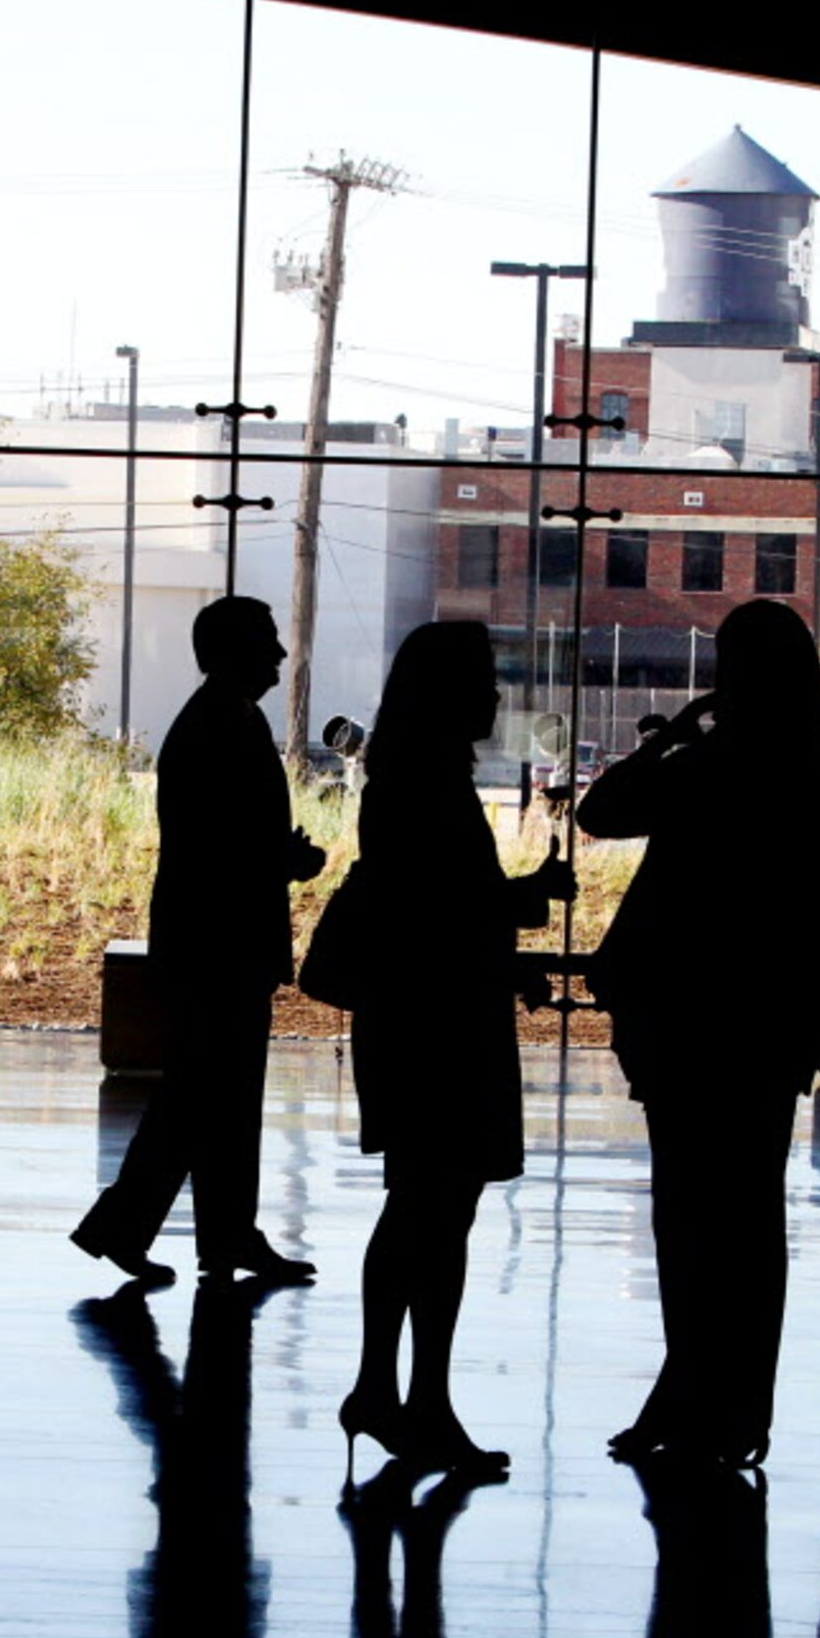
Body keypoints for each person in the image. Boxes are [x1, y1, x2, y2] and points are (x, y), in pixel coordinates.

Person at [576, 598, 820, 1469]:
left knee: (684, 1215)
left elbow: (601, 813)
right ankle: (735, 1407)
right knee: (750, 1219)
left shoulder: (703, 763)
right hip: (767, 1024)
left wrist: (673, 731)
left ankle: (686, 1383)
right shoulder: (812, 777)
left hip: (682, 1017)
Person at [337, 620, 572, 1483]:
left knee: (416, 1207)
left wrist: (511, 905)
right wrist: (526, 902)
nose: (496, 695)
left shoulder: (402, 774)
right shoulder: (432, 784)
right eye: (485, 680)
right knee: (440, 1216)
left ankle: (382, 1387)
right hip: (444, 1026)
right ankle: (422, 1400)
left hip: (410, 1018)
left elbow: (426, 904)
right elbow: (448, 911)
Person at [73, 596, 326, 1283]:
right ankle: (187, 1233)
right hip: (225, 945)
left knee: (209, 1095)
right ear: (236, 651)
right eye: (268, 643)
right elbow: (229, 848)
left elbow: (214, 839)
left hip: (205, 941)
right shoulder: (230, 726)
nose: (279, 655)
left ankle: (198, 1234)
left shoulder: (213, 720)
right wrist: (289, 862)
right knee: (212, 1096)